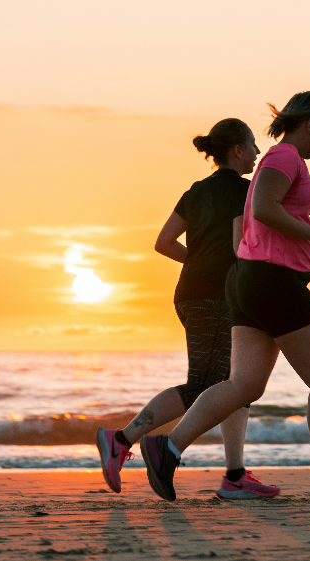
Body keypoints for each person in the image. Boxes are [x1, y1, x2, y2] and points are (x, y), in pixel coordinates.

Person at [140, 91, 310, 503]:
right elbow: (265, 210)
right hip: (274, 282)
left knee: (243, 385)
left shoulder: (278, 159)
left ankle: (168, 447)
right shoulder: (284, 157)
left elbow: (268, 216)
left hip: (249, 281)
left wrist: (308, 219)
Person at [96, 118, 280, 499]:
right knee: (205, 383)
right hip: (215, 296)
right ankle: (122, 439)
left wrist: (196, 263)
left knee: (235, 383)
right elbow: (236, 246)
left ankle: (235, 475)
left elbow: (164, 242)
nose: (258, 153)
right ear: (237, 150)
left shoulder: (195, 192)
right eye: (252, 145)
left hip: (193, 292)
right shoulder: (244, 192)